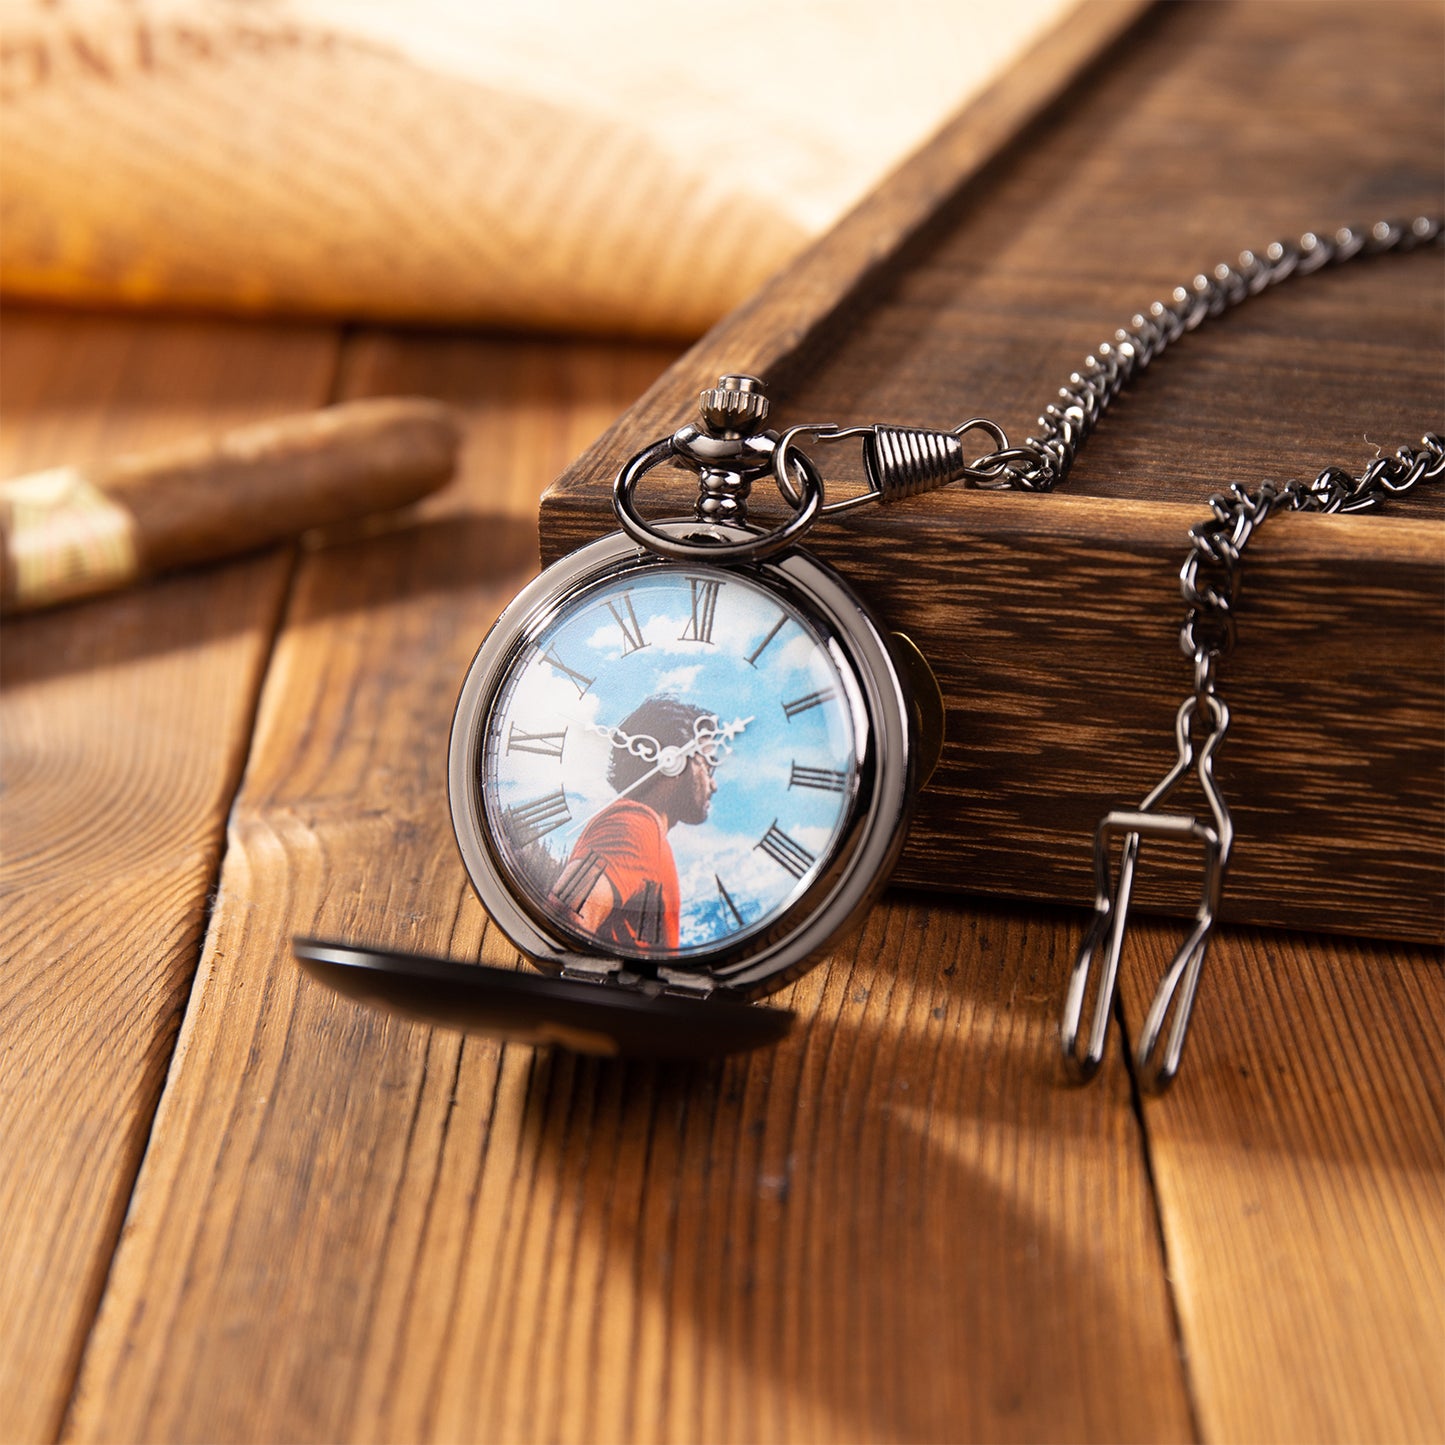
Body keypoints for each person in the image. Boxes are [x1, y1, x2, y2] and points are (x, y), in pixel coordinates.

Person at [547, 697, 718, 952]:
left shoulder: (647, 832)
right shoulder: (635, 826)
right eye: (709, 766)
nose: (714, 786)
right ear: (674, 760)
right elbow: (567, 912)